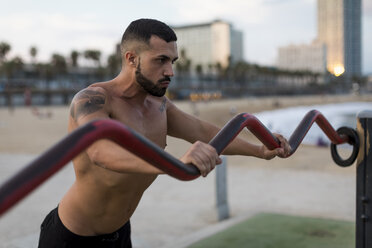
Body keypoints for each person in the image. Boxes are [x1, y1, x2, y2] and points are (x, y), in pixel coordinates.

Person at [38, 18, 291, 248]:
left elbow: (202, 130)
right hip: (71, 238)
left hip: (120, 234)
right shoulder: (94, 100)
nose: (170, 71)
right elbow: (99, 151)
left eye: (173, 61)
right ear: (131, 58)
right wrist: (173, 164)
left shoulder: (158, 104)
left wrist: (260, 150)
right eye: (161, 60)